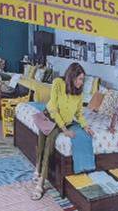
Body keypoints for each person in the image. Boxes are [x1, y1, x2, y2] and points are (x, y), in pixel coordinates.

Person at [32, 63, 95, 200]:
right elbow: (53, 108)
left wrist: (85, 126)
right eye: (79, 79)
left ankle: (40, 184)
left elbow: (79, 114)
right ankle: (37, 167)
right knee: (41, 144)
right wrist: (65, 130)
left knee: (49, 147)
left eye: (82, 79)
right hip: (49, 116)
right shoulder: (58, 83)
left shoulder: (79, 94)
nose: (81, 82)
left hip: (62, 123)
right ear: (71, 77)